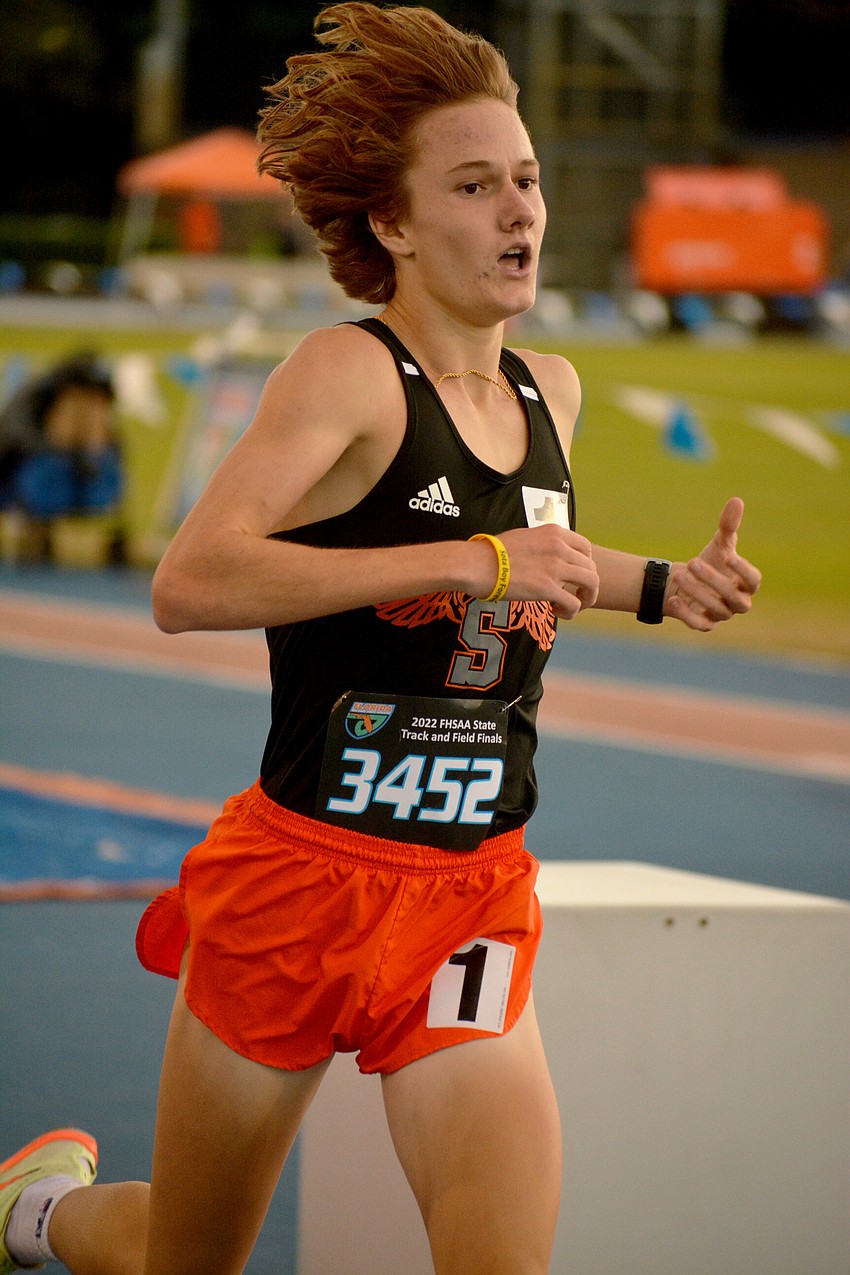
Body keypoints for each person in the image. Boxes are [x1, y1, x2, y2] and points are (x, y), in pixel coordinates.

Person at [0, 5, 761, 1274]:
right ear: (394, 225)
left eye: (525, 178)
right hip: (299, 883)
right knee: (187, 1258)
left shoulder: (547, 390)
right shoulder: (347, 375)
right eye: (474, 185)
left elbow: (540, 563)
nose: (518, 210)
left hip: (469, 895)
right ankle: (37, 1211)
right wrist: (473, 562)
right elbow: (190, 582)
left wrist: (662, 585)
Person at [0, 351, 124, 562]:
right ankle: (37, 531)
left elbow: (111, 442)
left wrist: (84, 456)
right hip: (12, 465)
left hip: (64, 469)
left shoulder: (88, 411)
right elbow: (17, 433)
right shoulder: (35, 396)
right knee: (45, 471)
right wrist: (57, 450)